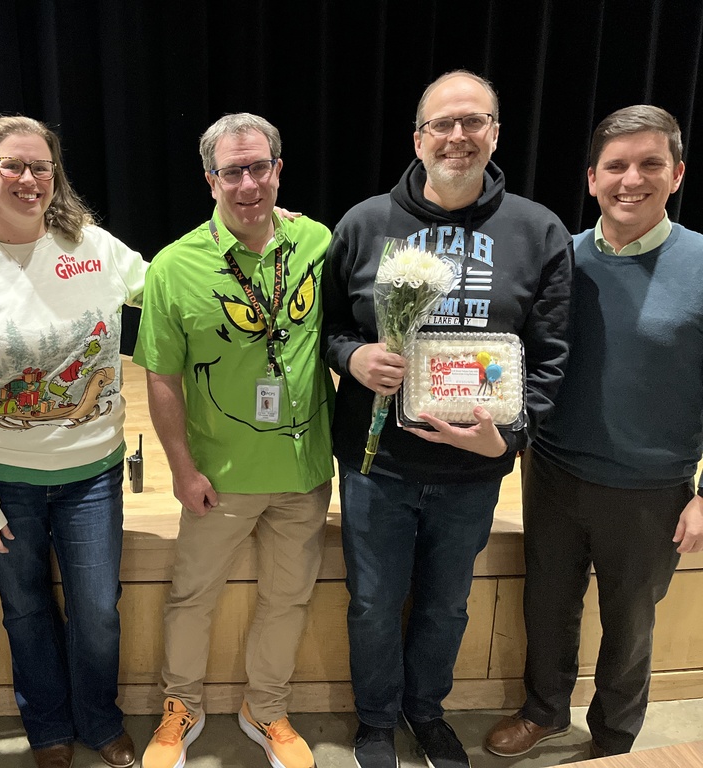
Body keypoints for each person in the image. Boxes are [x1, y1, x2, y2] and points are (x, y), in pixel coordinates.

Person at [322, 71, 572, 768]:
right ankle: (375, 721)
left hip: (474, 468)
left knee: (447, 607)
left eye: (474, 122)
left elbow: (551, 358)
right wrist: (355, 355)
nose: (458, 136)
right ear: (418, 138)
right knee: (374, 604)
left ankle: (425, 712)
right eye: (443, 124)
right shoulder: (366, 222)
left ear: (495, 133)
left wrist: (511, 438)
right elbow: (327, 325)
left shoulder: (537, 229)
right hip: (377, 465)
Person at [0, 115, 146, 768]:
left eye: (40, 166)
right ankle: (47, 726)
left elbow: (165, 289)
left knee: (98, 614)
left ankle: (99, 721)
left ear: (56, 177)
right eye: (13, 166)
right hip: (6, 483)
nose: (28, 178)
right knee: (25, 612)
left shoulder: (95, 249)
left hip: (93, 477)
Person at [484, 105, 703, 761]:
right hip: (551, 472)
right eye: (616, 165)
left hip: (651, 488)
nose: (630, 179)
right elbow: (519, 356)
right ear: (591, 178)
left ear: (677, 173)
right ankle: (545, 711)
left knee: (629, 625)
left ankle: (614, 738)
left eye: (649, 164)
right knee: (548, 606)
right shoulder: (562, 261)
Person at [134, 113, 334, 768]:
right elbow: (161, 377)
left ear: (278, 170)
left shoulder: (317, 242)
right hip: (217, 480)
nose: (247, 183)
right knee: (192, 598)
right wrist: (182, 470)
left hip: (303, 474)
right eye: (231, 171)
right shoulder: (173, 266)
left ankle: (267, 708)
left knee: (288, 599)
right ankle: (182, 705)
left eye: (258, 167)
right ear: (210, 179)